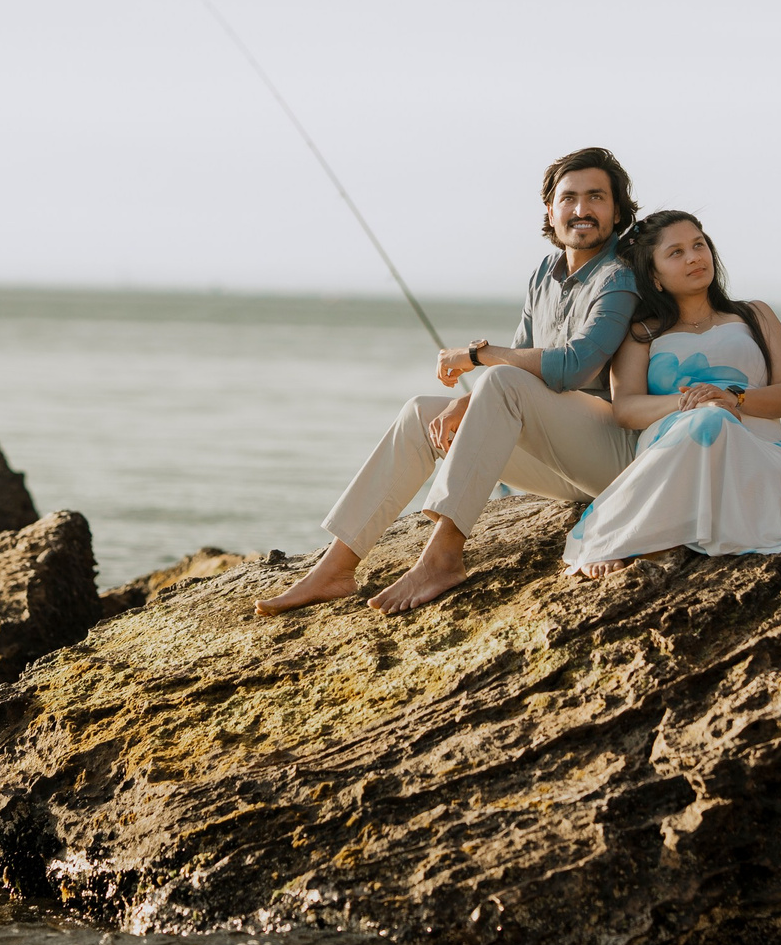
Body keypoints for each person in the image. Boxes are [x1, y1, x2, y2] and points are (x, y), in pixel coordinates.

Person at [258, 147, 644, 618]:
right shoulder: (545, 273)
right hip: (563, 464)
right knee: (423, 413)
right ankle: (336, 567)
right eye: (569, 198)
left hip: (614, 459)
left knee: (499, 380)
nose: (581, 210)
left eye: (596, 198)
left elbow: (574, 368)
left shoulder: (619, 278)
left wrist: (477, 356)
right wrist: (474, 401)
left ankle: (443, 556)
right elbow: (523, 363)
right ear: (550, 210)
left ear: (617, 211)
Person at [565, 211, 781, 575]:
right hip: (673, 445)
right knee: (705, 417)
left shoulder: (755, 315)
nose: (695, 256)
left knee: (714, 417)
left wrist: (733, 399)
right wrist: (687, 403)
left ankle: (636, 534)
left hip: (759, 456)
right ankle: (625, 534)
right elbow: (625, 409)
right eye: (676, 252)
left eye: (699, 245)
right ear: (654, 276)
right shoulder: (641, 333)